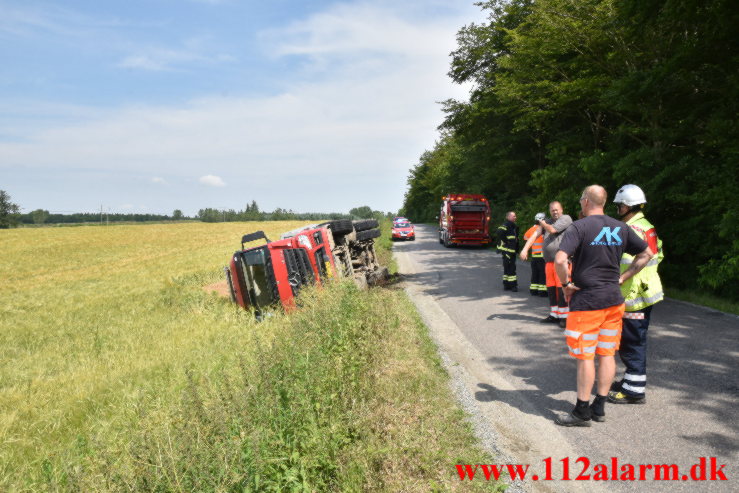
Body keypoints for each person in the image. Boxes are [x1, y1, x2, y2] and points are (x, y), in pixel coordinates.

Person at [553, 185, 652, 427]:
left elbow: (559, 258)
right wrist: (623, 277)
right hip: (613, 301)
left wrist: (565, 283)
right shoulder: (621, 227)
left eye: (580, 199)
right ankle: (599, 407)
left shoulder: (579, 227)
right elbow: (647, 253)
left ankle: (581, 411)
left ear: (586, 201)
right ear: (605, 202)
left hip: (587, 302)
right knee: (607, 353)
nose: (579, 203)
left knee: (585, 356)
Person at [609, 184, 664, 404]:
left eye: (619, 205)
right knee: (631, 340)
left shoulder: (633, 228)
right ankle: (630, 380)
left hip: (635, 294)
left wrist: (623, 277)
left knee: (633, 342)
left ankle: (633, 391)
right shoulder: (644, 225)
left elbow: (645, 257)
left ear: (628, 206)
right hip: (642, 290)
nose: (617, 209)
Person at [520, 201, 572, 327]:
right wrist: (525, 249)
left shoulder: (565, 218)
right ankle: (554, 314)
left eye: (557, 209)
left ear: (561, 209)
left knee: (562, 290)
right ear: (549, 211)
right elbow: (534, 235)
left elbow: (553, 230)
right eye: (552, 210)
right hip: (549, 262)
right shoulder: (547, 221)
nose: (555, 212)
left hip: (562, 262)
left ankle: (564, 317)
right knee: (551, 289)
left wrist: (542, 223)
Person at [523, 213, 547, 296]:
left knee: (535, 273)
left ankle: (533, 290)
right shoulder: (543, 229)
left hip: (534, 255)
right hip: (542, 256)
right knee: (542, 273)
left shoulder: (531, 229)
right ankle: (542, 291)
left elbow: (525, 237)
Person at [496, 211, 519, 292]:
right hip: (507, 251)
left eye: (515, 216)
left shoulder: (513, 226)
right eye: (513, 216)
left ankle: (506, 285)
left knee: (507, 268)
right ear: (508, 217)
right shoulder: (507, 224)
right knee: (511, 268)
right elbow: (499, 231)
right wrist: (505, 241)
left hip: (511, 250)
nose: (515, 217)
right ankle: (513, 286)